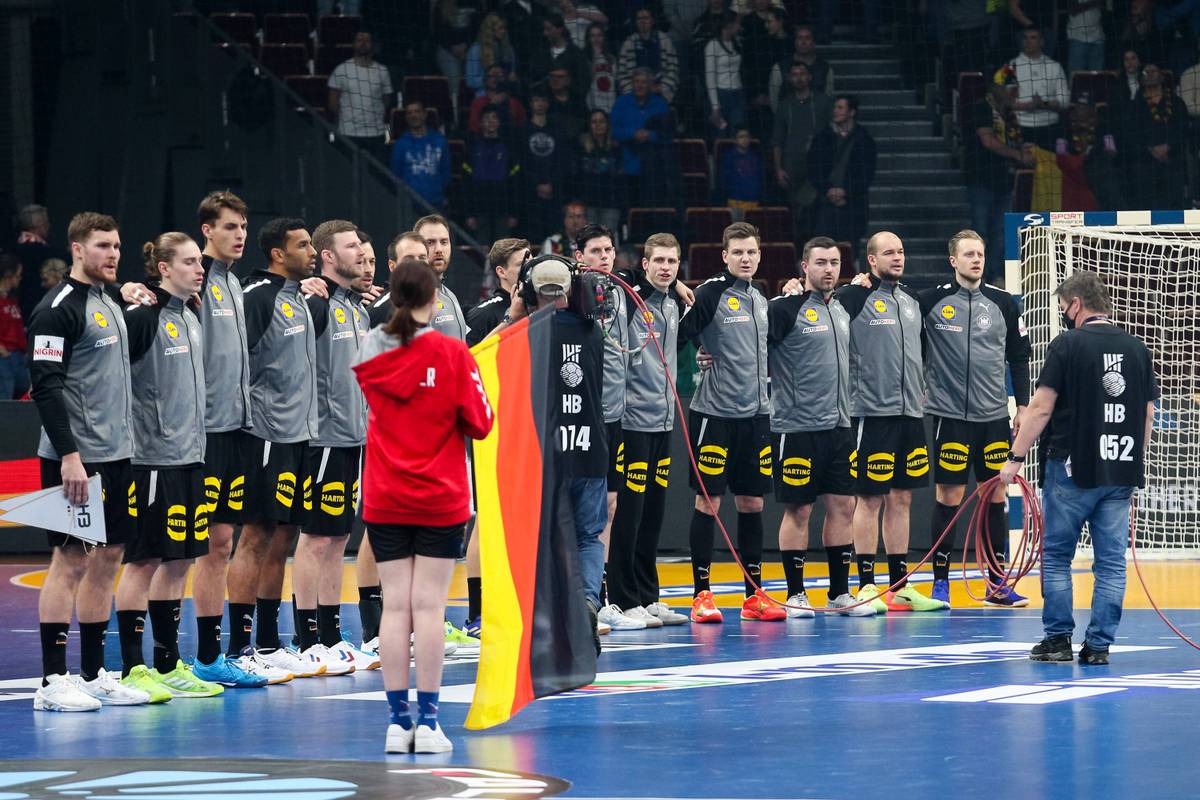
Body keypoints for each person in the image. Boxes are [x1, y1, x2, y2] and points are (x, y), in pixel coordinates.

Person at [355, 258, 494, 754]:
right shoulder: (453, 352)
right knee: (429, 608)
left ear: (393, 297)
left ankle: (397, 723)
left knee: (396, 607)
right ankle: (430, 723)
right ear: (435, 300)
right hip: (440, 497)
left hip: (386, 494)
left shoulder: (372, 348)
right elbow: (482, 423)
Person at [999, 271, 1156, 666]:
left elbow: (1040, 408)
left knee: (1055, 557)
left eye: (1062, 309)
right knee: (1110, 562)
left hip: (1071, 468)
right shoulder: (1136, 348)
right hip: (1120, 469)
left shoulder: (1067, 343)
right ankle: (1099, 646)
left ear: (1075, 305)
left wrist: (1014, 458)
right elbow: (1147, 415)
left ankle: (1056, 641)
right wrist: (1132, 458)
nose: (1063, 316)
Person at [29, 213, 141, 711]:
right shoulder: (55, 310)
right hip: (72, 459)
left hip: (117, 455)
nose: (113, 254)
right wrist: (70, 457)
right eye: (102, 246)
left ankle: (94, 674)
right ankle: (53, 682)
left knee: (110, 558)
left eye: (117, 246)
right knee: (70, 561)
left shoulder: (110, 299)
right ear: (77, 249)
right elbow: (46, 387)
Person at [114, 233, 227, 702]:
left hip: (190, 454)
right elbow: (114, 373)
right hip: (151, 459)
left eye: (199, 262)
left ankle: (166, 663)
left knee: (181, 559)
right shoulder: (143, 315)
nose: (198, 269)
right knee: (143, 561)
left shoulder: (191, 314)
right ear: (162, 268)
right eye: (187, 262)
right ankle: (134, 668)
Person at [183, 192, 279, 688]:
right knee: (194, 548)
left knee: (222, 543)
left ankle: (216, 654)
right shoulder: (193, 280)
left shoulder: (234, 284)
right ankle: (187, 657)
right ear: (207, 230)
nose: (239, 235)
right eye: (229, 227)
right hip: (202, 435)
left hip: (238, 430)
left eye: (243, 226)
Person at [224, 218, 321, 679]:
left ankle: (266, 641)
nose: (313, 251)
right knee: (256, 536)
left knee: (283, 538)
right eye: (303, 245)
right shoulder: (258, 296)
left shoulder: (298, 297)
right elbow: (236, 361)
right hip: (264, 433)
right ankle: (240, 647)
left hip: (298, 433)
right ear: (278, 253)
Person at [678, 222, 782, 624]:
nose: (745, 259)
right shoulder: (709, 293)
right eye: (738, 252)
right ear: (724, 256)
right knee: (709, 502)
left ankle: (753, 594)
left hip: (756, 416)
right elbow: (679, 334)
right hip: (714, 415)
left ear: (760, 256)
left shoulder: (760, 298)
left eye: (752, 252)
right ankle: (700, 595)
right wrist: (698, 360)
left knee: (752, 502)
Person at [921, 230, 1031, 609]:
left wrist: (1024, 407)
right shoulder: (931, 301)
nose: (976, 260)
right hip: (948, 416)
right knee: (948, 496)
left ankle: (998, 584)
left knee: (994, 494)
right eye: (968, 254)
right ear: (953, 260)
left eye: (980, 254)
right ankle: (940, 584)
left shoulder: (1004, 303)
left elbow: (1019, 356)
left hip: (993, 417)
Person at [835, 231, 944, 614]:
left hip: (911, 414)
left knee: (903, 497)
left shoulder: (911, 300)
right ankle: (865, 585)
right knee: (869, 498)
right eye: (888, 253)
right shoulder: (854, 297)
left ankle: (900, 587)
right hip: (869, 413)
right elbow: (808, 314)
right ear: (871, 260)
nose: (897, 258)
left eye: (900, 251)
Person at [291, 220, 377, 674]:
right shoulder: (316, 302)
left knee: (340, 536)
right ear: (327, 255)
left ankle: (329, 633)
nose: (360, 253)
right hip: (322, 436)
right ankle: (306, 639)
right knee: (315, 537)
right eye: (351, 247)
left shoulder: (354, 305)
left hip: (353, 435)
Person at [767, 238, 870, 618]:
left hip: (839, 425)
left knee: (843, 506)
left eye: (834, 263)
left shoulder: (842, 307)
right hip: (796, 427)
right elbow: (747, 344)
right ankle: (795, 594)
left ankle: (839, 593)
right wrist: (706, 354)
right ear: (804, 267)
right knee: (799, 510)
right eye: (821, 263)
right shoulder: (783, 308)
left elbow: (873, 280)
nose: (829, 269)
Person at [605, 233, 689, 627]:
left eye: (672, 262)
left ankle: (648, 596)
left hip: (664, 420)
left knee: (653, 511)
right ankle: (623, 599)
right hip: (633, 422)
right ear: (645, 263)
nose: (666, 268)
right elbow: (611, 281)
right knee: (629, 514)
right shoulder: (628, 297)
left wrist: (680, 287)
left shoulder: (672, 302)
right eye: (659, 261)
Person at [966, 68, 1034, 283]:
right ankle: (976, 277)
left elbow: (1012, 139)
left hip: (1004, 181)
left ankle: (995, 276)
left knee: (1001, 233)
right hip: (981, 179)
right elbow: (987, 141)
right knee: (980, 233)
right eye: (1010, 89)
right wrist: (1017, 154)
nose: (1014, 94)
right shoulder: (981, 108)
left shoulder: (1008, 114)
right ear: (997, 90)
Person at [773, 62, 833, 245]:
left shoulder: (823, 102)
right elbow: (777, 140)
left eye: (802, 73)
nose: (799, 77)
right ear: (790, 78)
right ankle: (800, 251)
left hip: (819, 165)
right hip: (793, 165)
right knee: (796, 210)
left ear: (810, 77)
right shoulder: (785, 105)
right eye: (794, 74)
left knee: (819, 207)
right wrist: (778, 168)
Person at [808, 95, 877, 249]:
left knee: (850, 251)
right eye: (835, 107)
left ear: (851, 112)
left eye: (840, 107)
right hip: (825, 203)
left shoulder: (864, 140)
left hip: (853, 204)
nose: (835, 111)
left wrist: (845, 191)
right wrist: (829, 190)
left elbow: (866, 173)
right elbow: (813, 168)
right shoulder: (822, 137)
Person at [1123, 63, 1190, 210]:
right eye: (1146, 72)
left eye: (1154, 70)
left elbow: (1183, 128)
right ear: (1141, 79)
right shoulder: (1135, 106)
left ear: (1161, 76)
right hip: (1145, 162)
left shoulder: (1177, 102)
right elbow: (1130, 134)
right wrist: (1150, 150)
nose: (1151, 74)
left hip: (1172, 160)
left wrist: (1168, 146)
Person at [327, 30, 394, 163]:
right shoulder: (341, 69)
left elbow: (386, 101)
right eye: (359, 40)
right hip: (349, 134)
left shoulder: (382, 71)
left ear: (372, 45)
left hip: (377, 134)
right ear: (354, 44)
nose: (363, 43)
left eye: (367, 40)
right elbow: (333, 104)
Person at [611, 69, 673, 206]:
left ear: (651, 85)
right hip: (627, 166)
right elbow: (612, 130)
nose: (639, 85)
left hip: (654, 169)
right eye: (636, 82)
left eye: (644, 82)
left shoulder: (661, 104)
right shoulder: (621, 102)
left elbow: (668, 134)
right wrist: (633, 134)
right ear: (632, 83)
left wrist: (649, 135)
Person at [520, 88, 575, 241]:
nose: (540, 104)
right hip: (530, 194)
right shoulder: (523, 130)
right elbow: (521, 163)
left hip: (554, 193)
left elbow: (563, 161)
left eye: (543, 100)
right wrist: (536, 184)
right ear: (531, 104)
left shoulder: (557, 129)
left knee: (554, 234)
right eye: (537, 100)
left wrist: (552, 184)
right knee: (533, 235)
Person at [463, 108, 522, 247]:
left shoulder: (508, 147)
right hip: (480, 209)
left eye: (494, 118)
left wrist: (514, 212)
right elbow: (466, 184)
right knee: (481, 251)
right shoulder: (472, 147)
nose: (490, 121)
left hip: (503, 208)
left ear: (499, 122)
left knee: (503, 250)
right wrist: (469, 214)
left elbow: (515, 183)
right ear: (481, 123)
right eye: (486, 118)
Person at [1007, 27, 1069, 151]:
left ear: (1042, 42)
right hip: (1022, 128)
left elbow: (1065, 102)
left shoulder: (1055, 67)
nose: (1028, 41)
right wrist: (1028, 106)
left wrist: (1042, 104)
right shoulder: (1011, 67)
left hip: (1050, 128)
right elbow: (1007, 102)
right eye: (1025, 38)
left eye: (1033, 38)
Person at [415, 214, 470, 341]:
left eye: (444, 242)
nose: (439, 249)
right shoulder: (410, 298)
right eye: (430, 242)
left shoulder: (450, 296)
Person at [467, 238, 530, 346]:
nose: (529, 268)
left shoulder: (543, 303)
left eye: (531, 263)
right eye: (521, 264)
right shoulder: (482, 314)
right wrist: (509, 320)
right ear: (501, 272)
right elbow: (470, 359)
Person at [390, 101, 451, 210]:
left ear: (424, 114)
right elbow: (396, 173)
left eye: (417, 111)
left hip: (436, 202)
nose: (413, 115)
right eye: (409, 113)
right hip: (409, 204)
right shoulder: (400, 144)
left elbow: (445, 171)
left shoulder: (440, 140)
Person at [13, 204, 69, 323]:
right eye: (46, 222)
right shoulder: (47, 253)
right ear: (38, 224)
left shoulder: (11, 250)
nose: (48, 226)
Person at [618, 7, 681, 103]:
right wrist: (633, 92)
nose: (643, 21)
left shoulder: (665, 40)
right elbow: (621, 74)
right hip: (634, 96)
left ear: (652, 21)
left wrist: (662, 87)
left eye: (646, 18)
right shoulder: (628, 43)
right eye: (639, 18)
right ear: (635, 22)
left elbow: (673, 69)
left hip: (661, 95)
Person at [368, 232, 429, 329]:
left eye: (422, 258)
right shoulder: (379, 311)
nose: (418, 264)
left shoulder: (434, 301)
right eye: (409, 258)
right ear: (392, 266)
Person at [769, 26, 833, 110]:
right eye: (800, 38)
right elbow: (774, 99)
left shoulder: (825, 67)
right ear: (795, 42)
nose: (803, 42)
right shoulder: (780, 67)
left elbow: (828, 96)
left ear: (813, 42)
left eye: (808, 38)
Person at [528, 14, 592, 97]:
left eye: (549, 29)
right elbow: (531, 78)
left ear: (560, 30)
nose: (545, 33)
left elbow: (584, 83)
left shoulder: (576, 54)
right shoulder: (540, 52)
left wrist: (566, 83)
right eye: (544, 29)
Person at [704, 12, 744, 136]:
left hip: (738, 94)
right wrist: (715, 106)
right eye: (737, 23)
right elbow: (710, 78)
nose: (740, 26)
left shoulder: (737, 42)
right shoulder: (712, 46)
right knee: (721, 136)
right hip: (722, 95)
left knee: (738, 134)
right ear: (728, 25)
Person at [465, 14, 519, 95]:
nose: (503, 31)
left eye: (505, 28)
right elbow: (470, 81)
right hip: (484, 96)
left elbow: (512, 72)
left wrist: (512, 77)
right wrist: (490, 79)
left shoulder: (508, 48)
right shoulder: (476, 50)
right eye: (500, 28)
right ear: (490, 30)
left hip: (507, 94)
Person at [0, 255, 30, 400]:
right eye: (18, 275)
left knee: (25, 392)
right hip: (5, 356)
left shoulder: (12, 299)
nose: (20, 279)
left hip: (20, 356)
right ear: (8, 275)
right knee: (5, 400)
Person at [467, 65, 528, 135]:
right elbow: (474, 128)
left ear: (505, 79)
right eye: (492, 75)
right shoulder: (478, 103)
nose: (496, 78)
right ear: (485, 80)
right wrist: (491, 105)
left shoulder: (514, 103)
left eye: (500, 76)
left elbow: (522, 127)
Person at [719, 127, 764, 212]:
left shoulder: (755, 157)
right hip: (735, 202)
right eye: (741, 137)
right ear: (735, 140)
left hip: (754, 202)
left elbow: (760, 178)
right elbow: (724, 179)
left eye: (747, 136)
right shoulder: (728, 157)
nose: (744, 139)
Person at [584, 23, 619, 113]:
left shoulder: (611, 58)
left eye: (599, 35)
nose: (596, 39)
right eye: (592, 36)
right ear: (588, 38)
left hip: (610, 103)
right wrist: (595, 58)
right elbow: (587, 80)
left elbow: (615, 81)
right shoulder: (583, 58)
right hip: (593, 104)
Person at [547, 67, 589, 138]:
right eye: (552, 76)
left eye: (560, 77)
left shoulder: (578, 99)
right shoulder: (543, 99)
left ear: (568, 80)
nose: (555, 80)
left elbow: (585, 124)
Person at [1065, 0, 1106, 73]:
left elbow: (1104, 5)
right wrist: (1093, 3)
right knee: (1077, 79)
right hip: (1078, 38)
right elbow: (1072, 9)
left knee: (1097, 80)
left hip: (1098, 37)